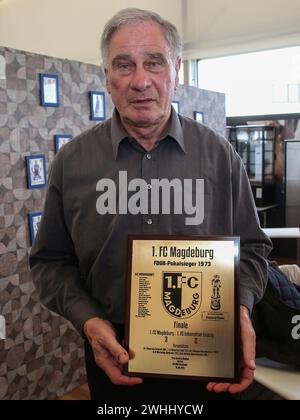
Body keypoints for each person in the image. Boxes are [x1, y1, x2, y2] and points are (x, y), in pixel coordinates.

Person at [29, 8, 272, 401]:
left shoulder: (219, 155)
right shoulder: (72, 162)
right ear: (107, 78)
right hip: (115, 358)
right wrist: (88, 321)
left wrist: (240, 310)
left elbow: (255, 249)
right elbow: (50, 262)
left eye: (154, 63)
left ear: (176, 71)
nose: (140, 80)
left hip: (206, 357)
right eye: (124, 65)